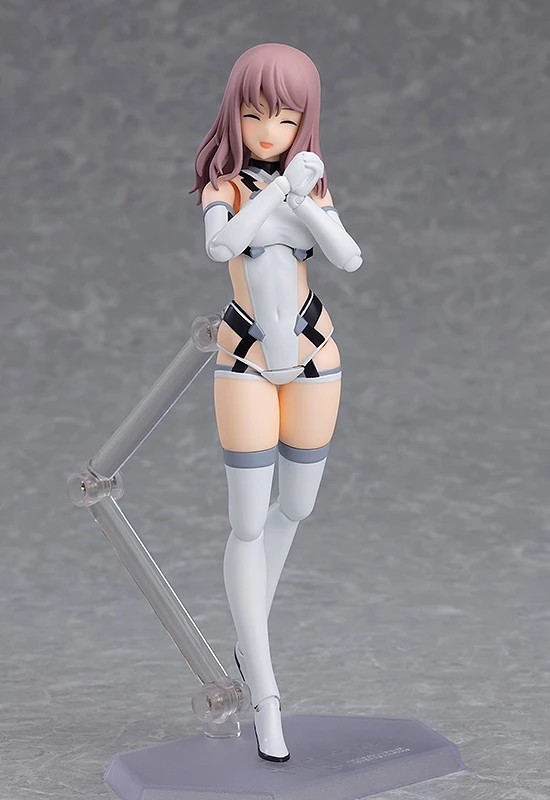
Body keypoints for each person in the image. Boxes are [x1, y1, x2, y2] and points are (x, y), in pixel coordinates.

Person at [191, 43, 362, 762]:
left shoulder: (309, 186)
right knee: (245, 524)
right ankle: (266, 695)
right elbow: (223, 246)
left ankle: (247, 633)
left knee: (295, 508)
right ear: (234, 113)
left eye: (286, 118)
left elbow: (348, 257)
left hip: (317, 357)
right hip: (247, 361)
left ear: (304, 123)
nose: (268, 131)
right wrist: (272, 193)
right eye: (255, 114)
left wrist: (302, 198)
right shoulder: (225, 188)